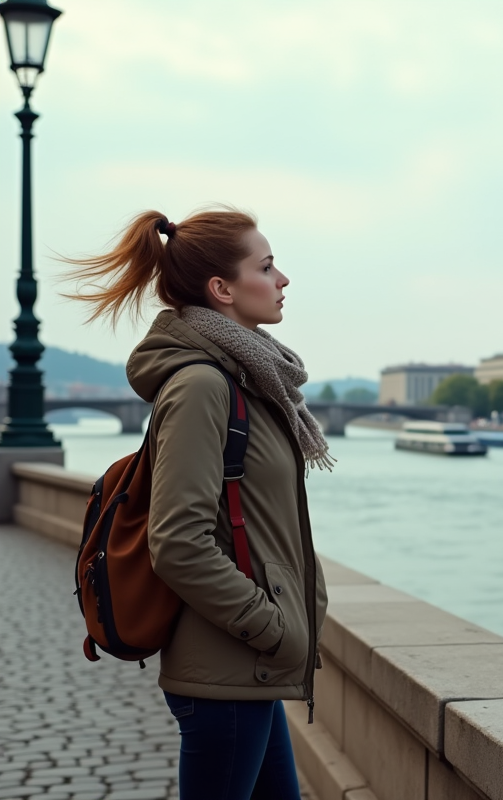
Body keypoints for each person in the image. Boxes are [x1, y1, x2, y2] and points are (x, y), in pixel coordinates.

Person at [65, 208, 331, 800]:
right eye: (266, 266)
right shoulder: (203, 385)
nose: (283, 278)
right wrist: (275, 627)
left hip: (246, 670)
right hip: (227, 670)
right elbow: (178, 542)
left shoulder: (248, 380)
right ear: (223, 289)